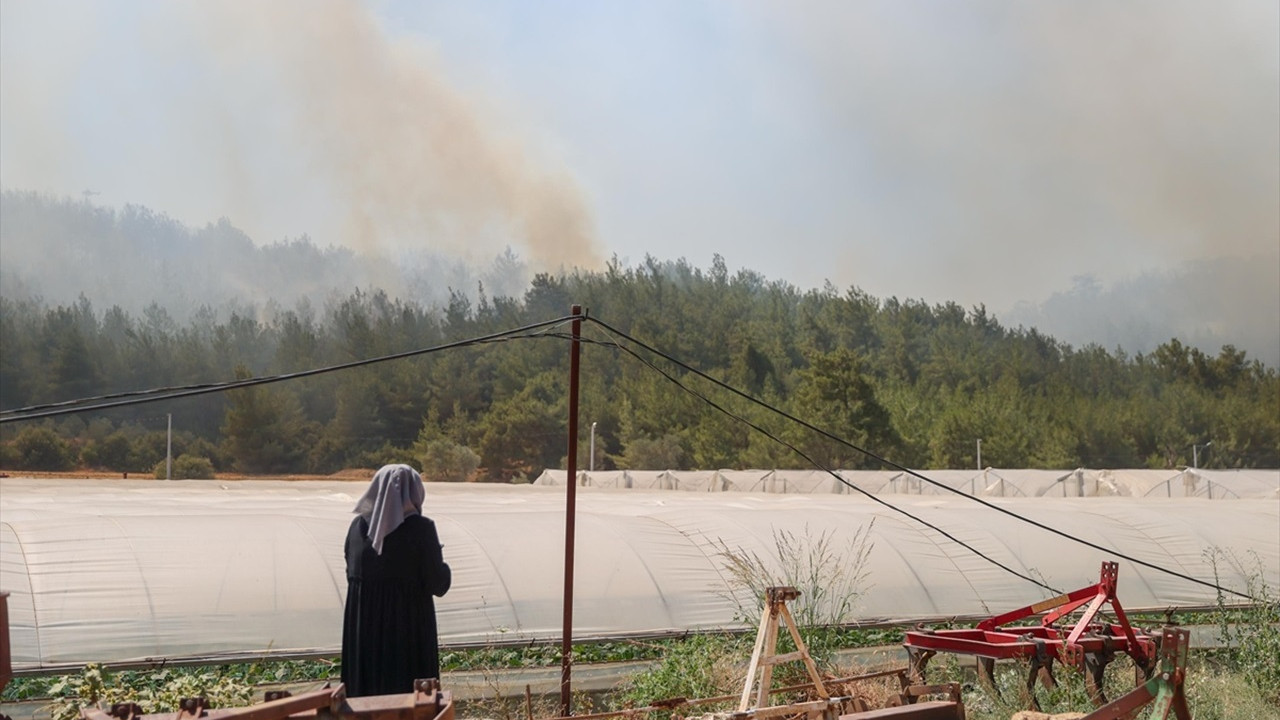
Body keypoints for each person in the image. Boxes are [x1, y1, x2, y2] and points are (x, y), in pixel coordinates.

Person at [341, 464, 452, 696]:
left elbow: (351, 572)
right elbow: (438, 584)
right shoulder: (421, 529)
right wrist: (443, 565)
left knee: (367, 700)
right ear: (415, 491)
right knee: (408, 699)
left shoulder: (356, 529)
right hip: (407, 636)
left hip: (364, 638)